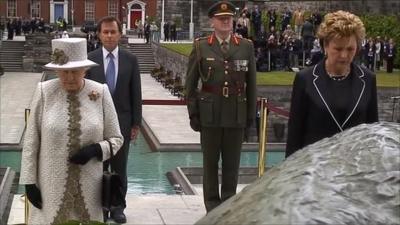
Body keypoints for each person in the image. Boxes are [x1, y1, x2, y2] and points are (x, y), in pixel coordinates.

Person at [19, 38, 124, 224]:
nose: (69, 77)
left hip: (90, 187)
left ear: (85, 69)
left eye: (75, 71)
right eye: (64, 72)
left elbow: (116, 138)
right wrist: (29, 181)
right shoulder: (44, 91)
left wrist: (97, 150)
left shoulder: (100, 92)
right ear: (57, 70)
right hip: (50, 187)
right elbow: (31, 140)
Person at [185, 1, 256, 213]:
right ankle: (211, 208)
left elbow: (251, 84)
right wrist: (193, 113)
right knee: (210, 165)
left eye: (228, 18)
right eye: (220, 18)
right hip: (210, 114)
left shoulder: (245, 46)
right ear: (212, 21)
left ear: (233, 20)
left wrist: (250, 117)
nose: (225, 22)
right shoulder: (201, 46)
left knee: (232, 166)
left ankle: (227, 207)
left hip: (236, 114)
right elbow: (190, 84)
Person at [285, 10, 379, 158]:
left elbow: (373, 134)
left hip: (355, 172)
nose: (344, 55)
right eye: (338, 48)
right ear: (325, 46)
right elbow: (295, 135)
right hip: (314, 171)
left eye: (350, 49)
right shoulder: (305, 79)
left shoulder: (368, 79)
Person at [86, 16, 142, 223]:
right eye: (105, 32)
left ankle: (118, 207)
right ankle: (100, 207)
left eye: (113, 32)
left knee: (120, 167)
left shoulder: (130, 59)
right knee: (99, 167)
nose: (109, 36)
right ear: (99, 35)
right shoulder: (90, 59)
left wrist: (136, 123)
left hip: (123, 123)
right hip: (96, 123)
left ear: (120, 34)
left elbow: (136, 92)